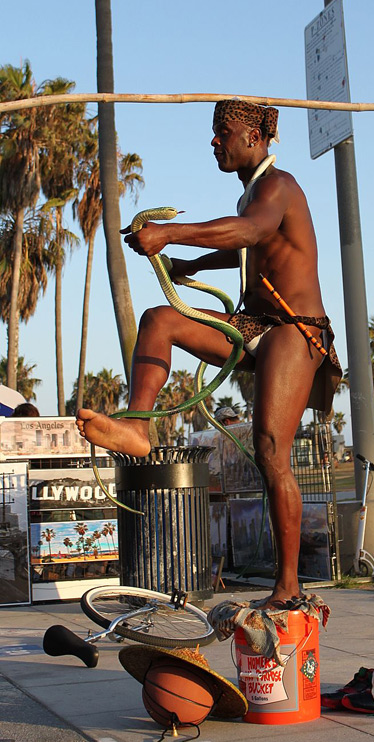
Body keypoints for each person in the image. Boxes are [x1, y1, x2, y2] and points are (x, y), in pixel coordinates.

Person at [76, 99, 342, 608]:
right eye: (215, 131)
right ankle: (137, 427)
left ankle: (289, 586)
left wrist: (170, 233)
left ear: (254, 137)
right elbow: (245, 246)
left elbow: (252, 232)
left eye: (223, 131)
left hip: (295, 329)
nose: (215, 141)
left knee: (271, 452)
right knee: (159, 320)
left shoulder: (277, 186)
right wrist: (189, 264)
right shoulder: (250, 194)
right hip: (253, 324)